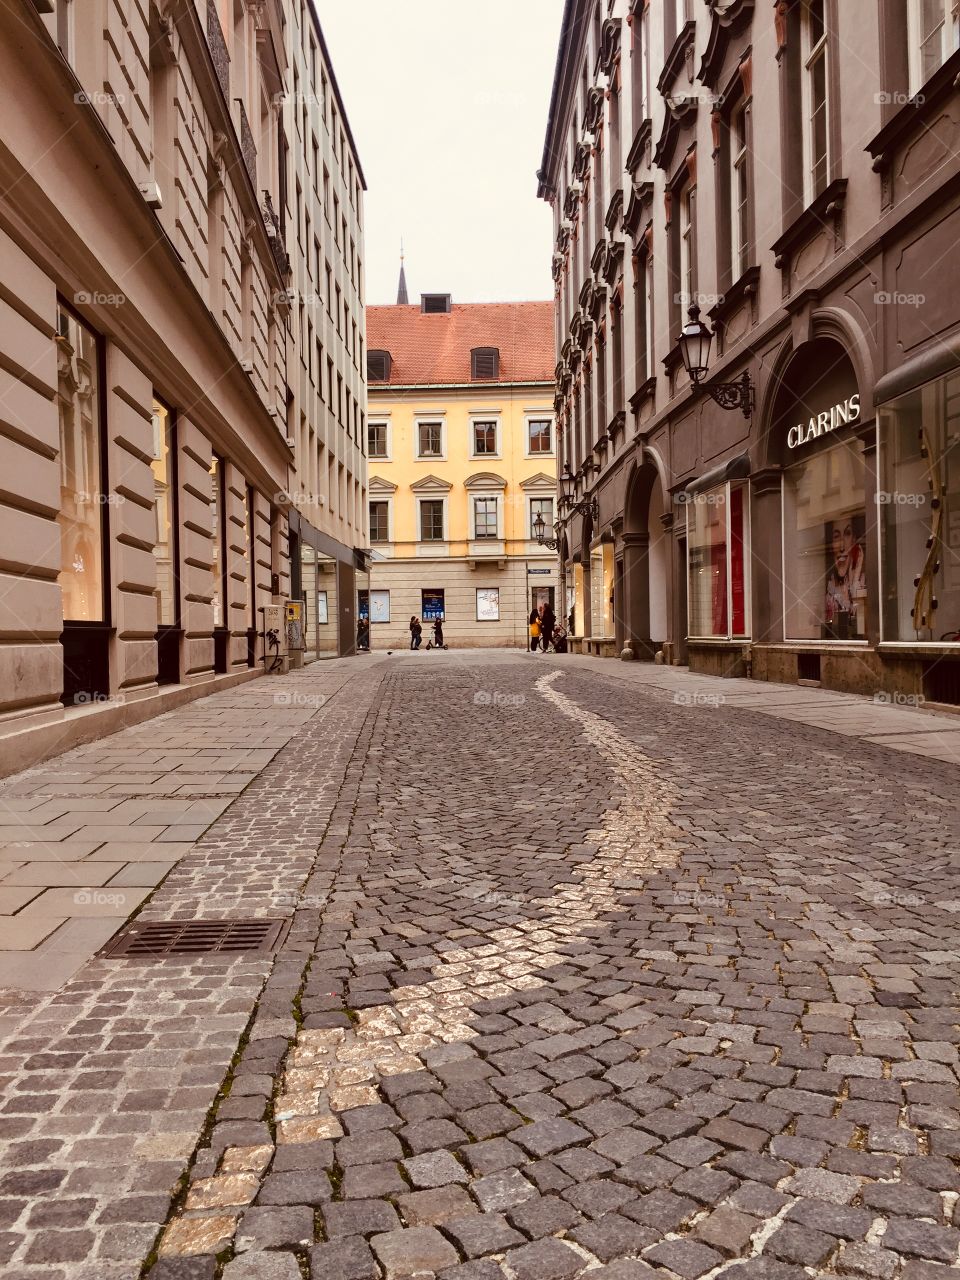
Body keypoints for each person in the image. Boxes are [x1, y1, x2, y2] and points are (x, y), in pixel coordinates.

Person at [825, 516, 866, 639]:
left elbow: (859, 617)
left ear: (854, 540)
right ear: (831, 544)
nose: (842, 546)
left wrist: (856, 574)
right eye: (836, 537)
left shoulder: (861, 581)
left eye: (847, 534)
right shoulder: (829, 590)